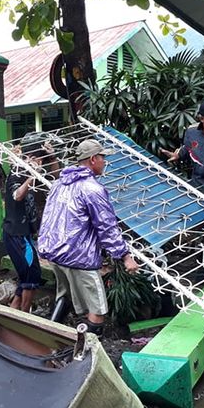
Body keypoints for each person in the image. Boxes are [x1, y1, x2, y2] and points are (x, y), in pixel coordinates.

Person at [38, 139, 139, 335]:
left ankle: (46, 342)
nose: (105, 162)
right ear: (93, 159)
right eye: (103, 157)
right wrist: (125, 257)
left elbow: (48, 217)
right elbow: (107, 227)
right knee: (97, 307)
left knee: (65, 296)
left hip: (55, 254)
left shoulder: (59, 183)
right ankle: (87, 355)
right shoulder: (92, 189)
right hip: (79, 257)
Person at [2, 134, 49, 313]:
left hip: (24, 233)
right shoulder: (16, 175)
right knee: (32, 275)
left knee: (26, 276)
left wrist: (50, 158)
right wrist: (32, 176)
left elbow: (56, 175)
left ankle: (14, 310)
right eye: (37, 158)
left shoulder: (31, 175)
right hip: (16, 234)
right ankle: (24, 314)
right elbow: (17, 195)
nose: (39, 162)